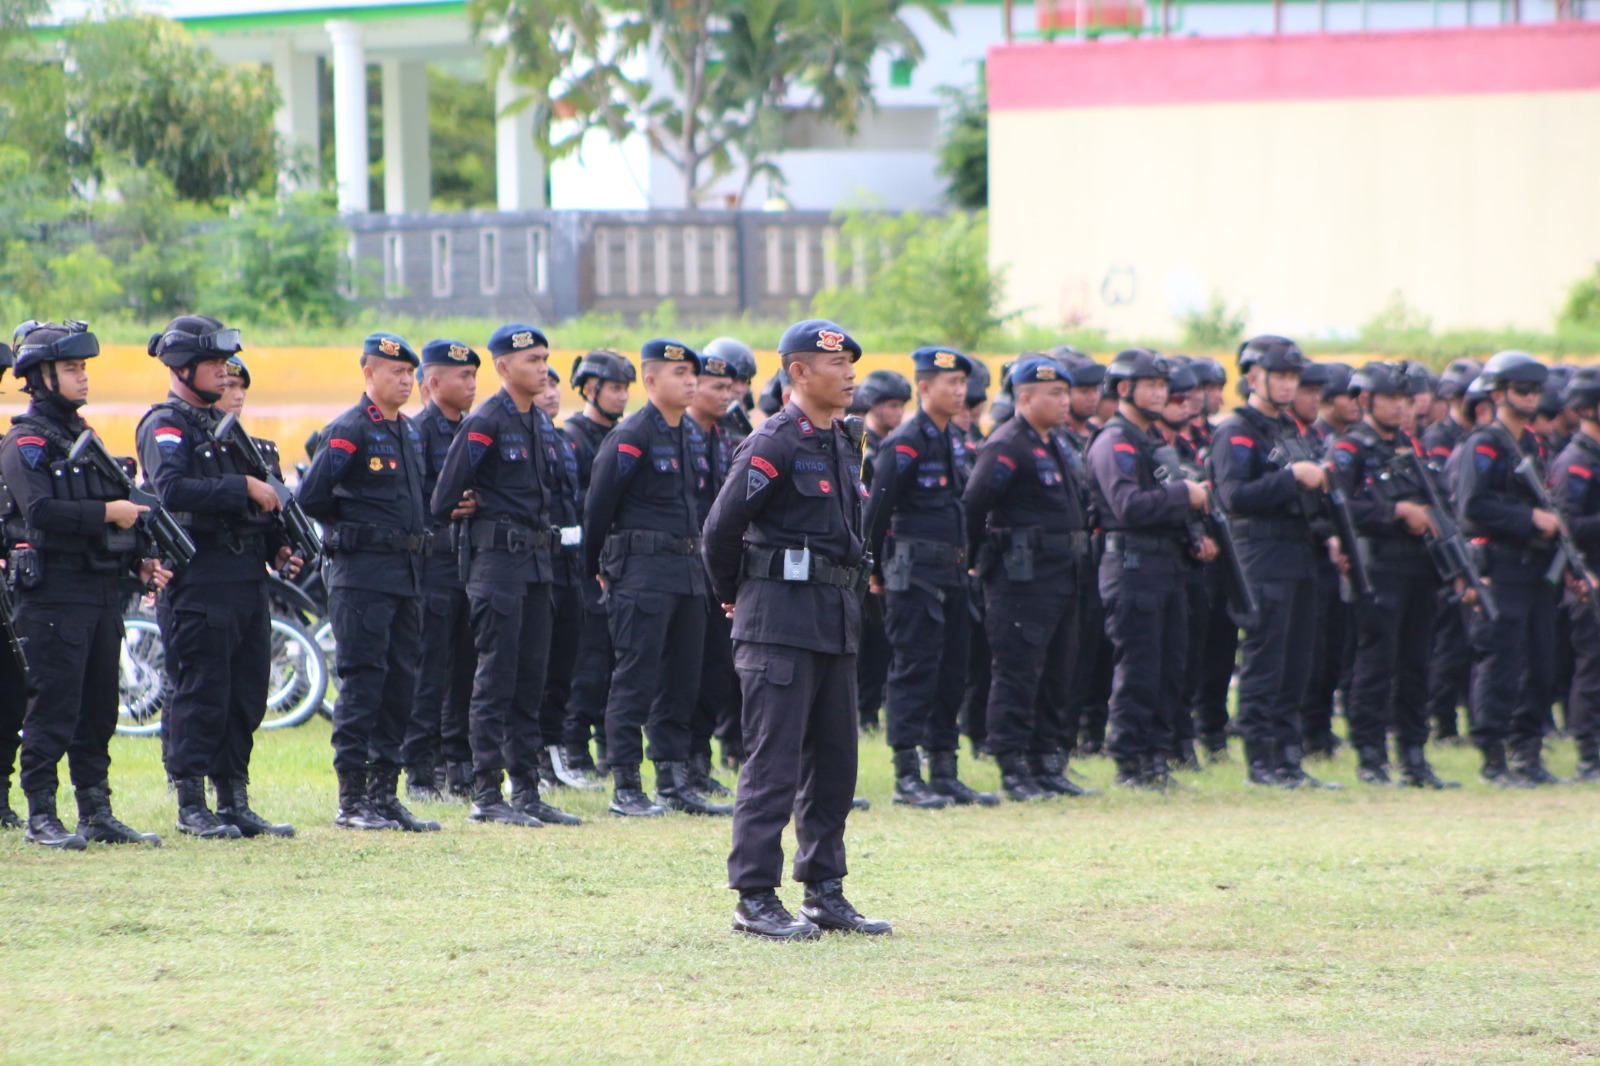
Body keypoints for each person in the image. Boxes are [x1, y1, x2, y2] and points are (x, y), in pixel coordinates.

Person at [703, 318, 890, 940]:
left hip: (834, 621)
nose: (850, 374)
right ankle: (755, 897)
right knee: (773, 764)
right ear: (799, 372)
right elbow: (720, 531)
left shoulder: (843, 440)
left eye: (851, 364)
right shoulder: (774, 442)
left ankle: (824, 890)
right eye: (836, 364)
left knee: (835, 765)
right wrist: (735, 596)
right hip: (778, 621)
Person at [0, 320, 169, 848]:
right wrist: (109, 512)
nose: (83, 377)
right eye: (71, 368)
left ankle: (96, 812)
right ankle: (42, 814)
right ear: (42, 377)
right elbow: (42, 511)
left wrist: (138, 562)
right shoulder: (26, 442)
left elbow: (114, 516)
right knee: (53, 708)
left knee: (98, 711)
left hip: (100, 591)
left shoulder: (83, 439)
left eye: (83, 368)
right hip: (53, 595)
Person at [138, 314, 299, 839]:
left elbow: (261, 503)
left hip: (245, 577)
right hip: (199, 579)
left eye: (226, 362)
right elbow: (173, 490)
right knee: (201, 691)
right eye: (212, 362)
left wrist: (278, 546)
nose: (224, 372)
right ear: (183, 367)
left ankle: (233, 798)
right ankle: (191, 802)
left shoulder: (227, 428)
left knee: (245, 692)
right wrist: (243, 487)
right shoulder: (166, 425)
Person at [429, 323, 580, 828]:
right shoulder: (487, 420)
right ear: (503, 366)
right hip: (497, 567)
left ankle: (527, 791)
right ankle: (487, 792)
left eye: (545, 359)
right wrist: (469, 506)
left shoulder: (538, 421)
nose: (543, 369)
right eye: (533, 360)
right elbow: (443, 498)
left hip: (536, 565)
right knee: (495, 679)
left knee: (530, 680)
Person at [297, 332, 439, 832]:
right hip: (362, 576)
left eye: (409, 373)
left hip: (405, 576)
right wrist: (355, 529)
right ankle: (352, 798)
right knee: (363, 682)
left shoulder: (410, 432)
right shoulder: (349, 430)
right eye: (396, 371)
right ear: (369, 373)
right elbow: (311, 496)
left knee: (400, 684)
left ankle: (384, 794)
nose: (405, 380)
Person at [582, 339, 727, 818]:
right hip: (641, 574)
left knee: (681, 681)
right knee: (635, 678)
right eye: (679, 373)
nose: (690, 381)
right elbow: (598, 506)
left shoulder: (690, 434)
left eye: (693, 374)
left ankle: (672, 779)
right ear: (650, 380)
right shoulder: (632, 434)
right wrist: (595, 568)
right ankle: (626, 784)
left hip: (687, 572)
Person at [864, 347, 995, 809]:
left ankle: (944, 770)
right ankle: (907, 775)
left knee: (952, 672)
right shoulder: (906, 441)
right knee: (914, 670)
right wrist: (873, 570)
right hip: (913, 574)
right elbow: (876, 512)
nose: (960, 391)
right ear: (924, 387)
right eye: (950, 383)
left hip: (952, 572)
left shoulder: (953, 438)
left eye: (962, 383)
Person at [962, 356, 1094, 801]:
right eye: (1054, 394)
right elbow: (973, 506)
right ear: (1024, 397)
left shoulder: (1055, 442)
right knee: (1018, 673)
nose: (1064, 401)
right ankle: (1013, 764)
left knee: (1058, 671)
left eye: (1065, 392)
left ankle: (1046, 761)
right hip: (1021, 580)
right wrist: (978, 560)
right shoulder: (1007, 444)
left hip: (1061, 576)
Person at [1210, 336, 1339, 790]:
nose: (1288, 385)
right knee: (1266, 659)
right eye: (1279, 376)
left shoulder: (1289, 429)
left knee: (1297, 660)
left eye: (1292, 377)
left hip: (1298, 552)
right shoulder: (1235, 430)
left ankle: (1288, 757)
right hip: (1261, 554)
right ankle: (1260, 760)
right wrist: (1291, 478)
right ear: (1253, 377)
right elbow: (1234, 496)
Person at [1088, 349, 1215, 789]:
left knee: (1169, 666)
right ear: (1125, 389)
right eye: (1152, 385)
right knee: (1139, 668)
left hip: (1167, 566)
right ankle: (1130, 761)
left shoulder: (1150, 441)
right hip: (1133, 567)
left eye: (1164, 386)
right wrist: (1184, 494)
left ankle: (1155, 759)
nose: (1161, 393)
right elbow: (1128, 506)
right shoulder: (1115, 442)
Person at [1330, 362, 1459, 789]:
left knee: (1416, 663)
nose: (1402, 407)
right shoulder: (1350, 449)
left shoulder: (1409, 447)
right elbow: (1339, 507)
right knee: (1376, 663)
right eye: (1392, 399)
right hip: (1377, 568)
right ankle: (1370, 754)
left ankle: (1413, 754)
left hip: (1420, 568)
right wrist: (1395, 512)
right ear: (1366, 400)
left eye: (1406, 399)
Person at [1455, 350, 1564, 786]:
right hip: (1499, 566)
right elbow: (1472, 508)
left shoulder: (1531, 444)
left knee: (1540, 661)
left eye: (1536, 390)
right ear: (1498, 393)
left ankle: (1528, 751)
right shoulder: (1483, 444)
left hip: (1535, 567)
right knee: (1500, 660)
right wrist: (1528, 518)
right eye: (1522, 389)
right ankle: (1493, 755)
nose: (1531, 397)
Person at [401, 339, 480, 801]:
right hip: (432, 567)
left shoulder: (474, 429)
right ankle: (420, 768)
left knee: (465, 671)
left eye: (474, 376)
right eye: (463, 376)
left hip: (470, 565)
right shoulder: (417, 433)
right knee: (429, 671)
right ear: (433, 382)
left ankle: (459, 764)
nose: (471, 385)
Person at [562, 349, 636, 784]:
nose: (622, 396)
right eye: (615, 388)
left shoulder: (628, 435)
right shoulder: (573, 437)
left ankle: (610, 745)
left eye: (626, 388)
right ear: (590, 389)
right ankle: (574, 747)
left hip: (623, 563)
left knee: (617, 658)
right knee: (587, 662)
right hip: (587, 563)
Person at [532, 365, 590, 794]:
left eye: (555, 385)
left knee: (562, 666)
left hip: (567, 566)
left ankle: (551, 751)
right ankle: (532, 757)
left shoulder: (561, 440)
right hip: (535, 564)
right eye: (544, 385)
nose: (551, 392)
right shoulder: (518, 435)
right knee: (535, 665)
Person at [687, 346, 740, 800]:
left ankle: (699, 763)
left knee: (716, 670)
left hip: (718, 573)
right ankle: (676, 768)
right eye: (716, 386)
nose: (727, 394)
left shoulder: (730, 439)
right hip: (679, 571)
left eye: (730, 387)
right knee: (680, 672)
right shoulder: (673, 434)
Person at [1422, 358, 1483, 744]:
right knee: (1450, 642)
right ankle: (1443, 722)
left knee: (1469, 640)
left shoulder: (1474, 437)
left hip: (1469, 546)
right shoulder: (1439, 438)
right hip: (1445, 549)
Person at [851, 368, 911, 734]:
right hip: (866, 551)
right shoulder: (864, 448)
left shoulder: (896, 444)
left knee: (884, 641)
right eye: (890, 405)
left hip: (892, 553)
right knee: (868, 639)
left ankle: (873, 708)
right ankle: (865, 708)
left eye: (901, 406)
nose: (897, 413)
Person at [1551, 366, 1600, 782]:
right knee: (1592, 667)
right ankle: (1589, 754)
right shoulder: (1576, 462)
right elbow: (1568, 525)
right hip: (1589, 576)